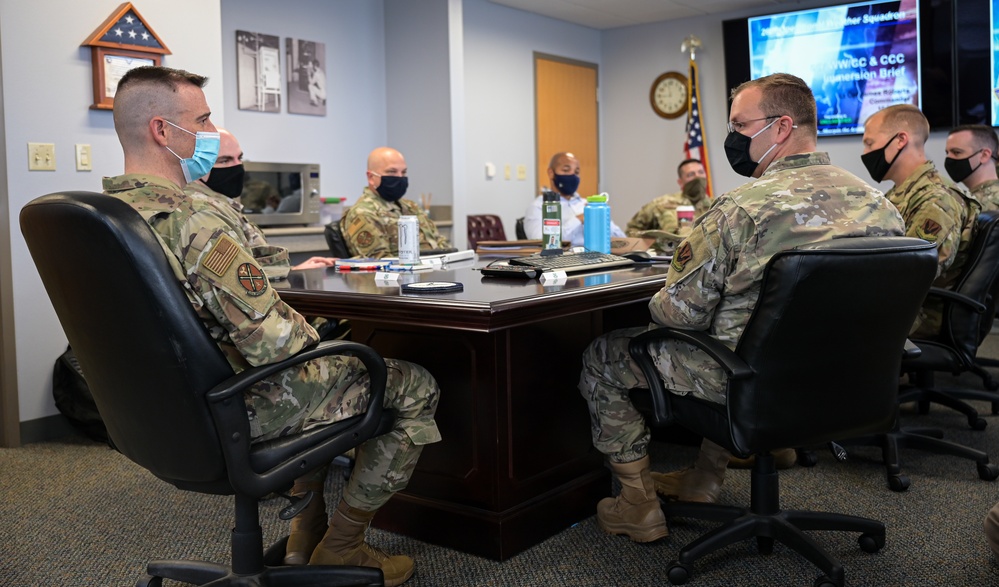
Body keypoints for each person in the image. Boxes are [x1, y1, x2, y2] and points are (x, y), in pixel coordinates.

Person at [103, 65, 440, 586]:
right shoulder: (192, 218)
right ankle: (344, 547)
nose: (212, 134)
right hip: (240, 405)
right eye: (204, 120)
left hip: (159, 414)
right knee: (410, 383)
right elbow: (275, 344)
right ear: (163, 132)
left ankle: (308, 532)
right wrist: (323, 338)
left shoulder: (108, 213)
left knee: (335, 368)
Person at [577, 73, 905, 543]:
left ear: (782, 127)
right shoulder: (880, 205)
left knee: (604, 356)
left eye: (739, 125)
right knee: (734, 338)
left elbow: (678, 316)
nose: (733, 137)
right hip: (849, 381)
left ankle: (637, 506)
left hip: (751, 382)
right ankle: (704, 480)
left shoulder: (740, 207)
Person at [861, 105, 980, 337]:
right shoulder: (901, 194)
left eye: (869, 143)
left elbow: (914, 272)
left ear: (900, 140)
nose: (865, 153)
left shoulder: (937, 199)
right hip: (899, 306)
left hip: (917, 315)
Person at [186, 127, 338, 275]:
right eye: (224, 161)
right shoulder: (205, 212)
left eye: (239, 158)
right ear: (198, 165)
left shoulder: (223, 206)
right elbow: (238, 284)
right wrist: (294, 273)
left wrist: (294, 271)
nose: (237, 167)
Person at [341, 147, 452, 258]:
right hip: (403, 274)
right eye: (391, 172)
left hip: (434, 271)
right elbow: (380, 261)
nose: (400, 177)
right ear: (371, 177)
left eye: (403, 172)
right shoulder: (363, 213)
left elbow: (441, 244)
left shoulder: (411, 207)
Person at [522, 152, 625, 248]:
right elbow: (541, 242)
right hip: (562, 261)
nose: (572, 175)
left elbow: (622, 239)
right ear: (551, 173)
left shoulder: (587, 205)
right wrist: (579, 219)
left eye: (576, 172)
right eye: (566, 170)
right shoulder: (538, 207)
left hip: (595, 257)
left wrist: (601, 217)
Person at [625, 158, 711, 238]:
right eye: (691, 174)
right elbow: (632, 229)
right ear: (680, 182)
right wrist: (655, 245)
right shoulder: (662, 203)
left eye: (701, 172)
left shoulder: (715, 205)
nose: (697, 177)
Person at [944, 124, 999, 212]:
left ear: (984, 155)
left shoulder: (979, 207)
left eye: (956, 152)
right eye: (947, 153)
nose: (949, 158)